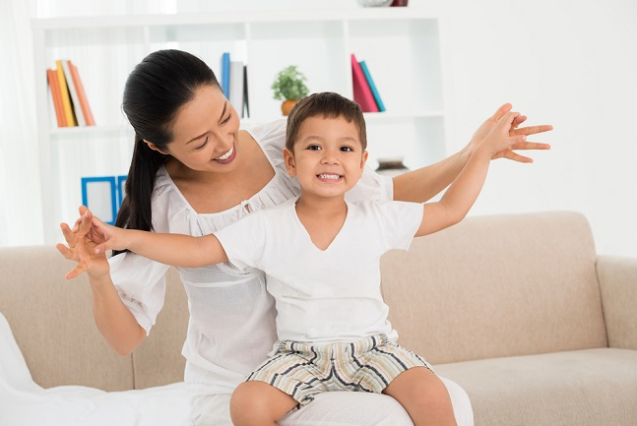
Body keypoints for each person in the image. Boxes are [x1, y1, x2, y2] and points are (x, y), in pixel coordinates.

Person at [57, 49, 551, 426]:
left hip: (338, 366)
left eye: (225, 117)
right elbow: (129, 334)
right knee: (379, 421)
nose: (225, 143)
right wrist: (101, 275)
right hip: (247, 385)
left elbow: (387, 197)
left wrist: (474, 152)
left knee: (450, 400)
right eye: (201, 142)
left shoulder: (288, 143)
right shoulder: (160, 205)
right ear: (156, 145)